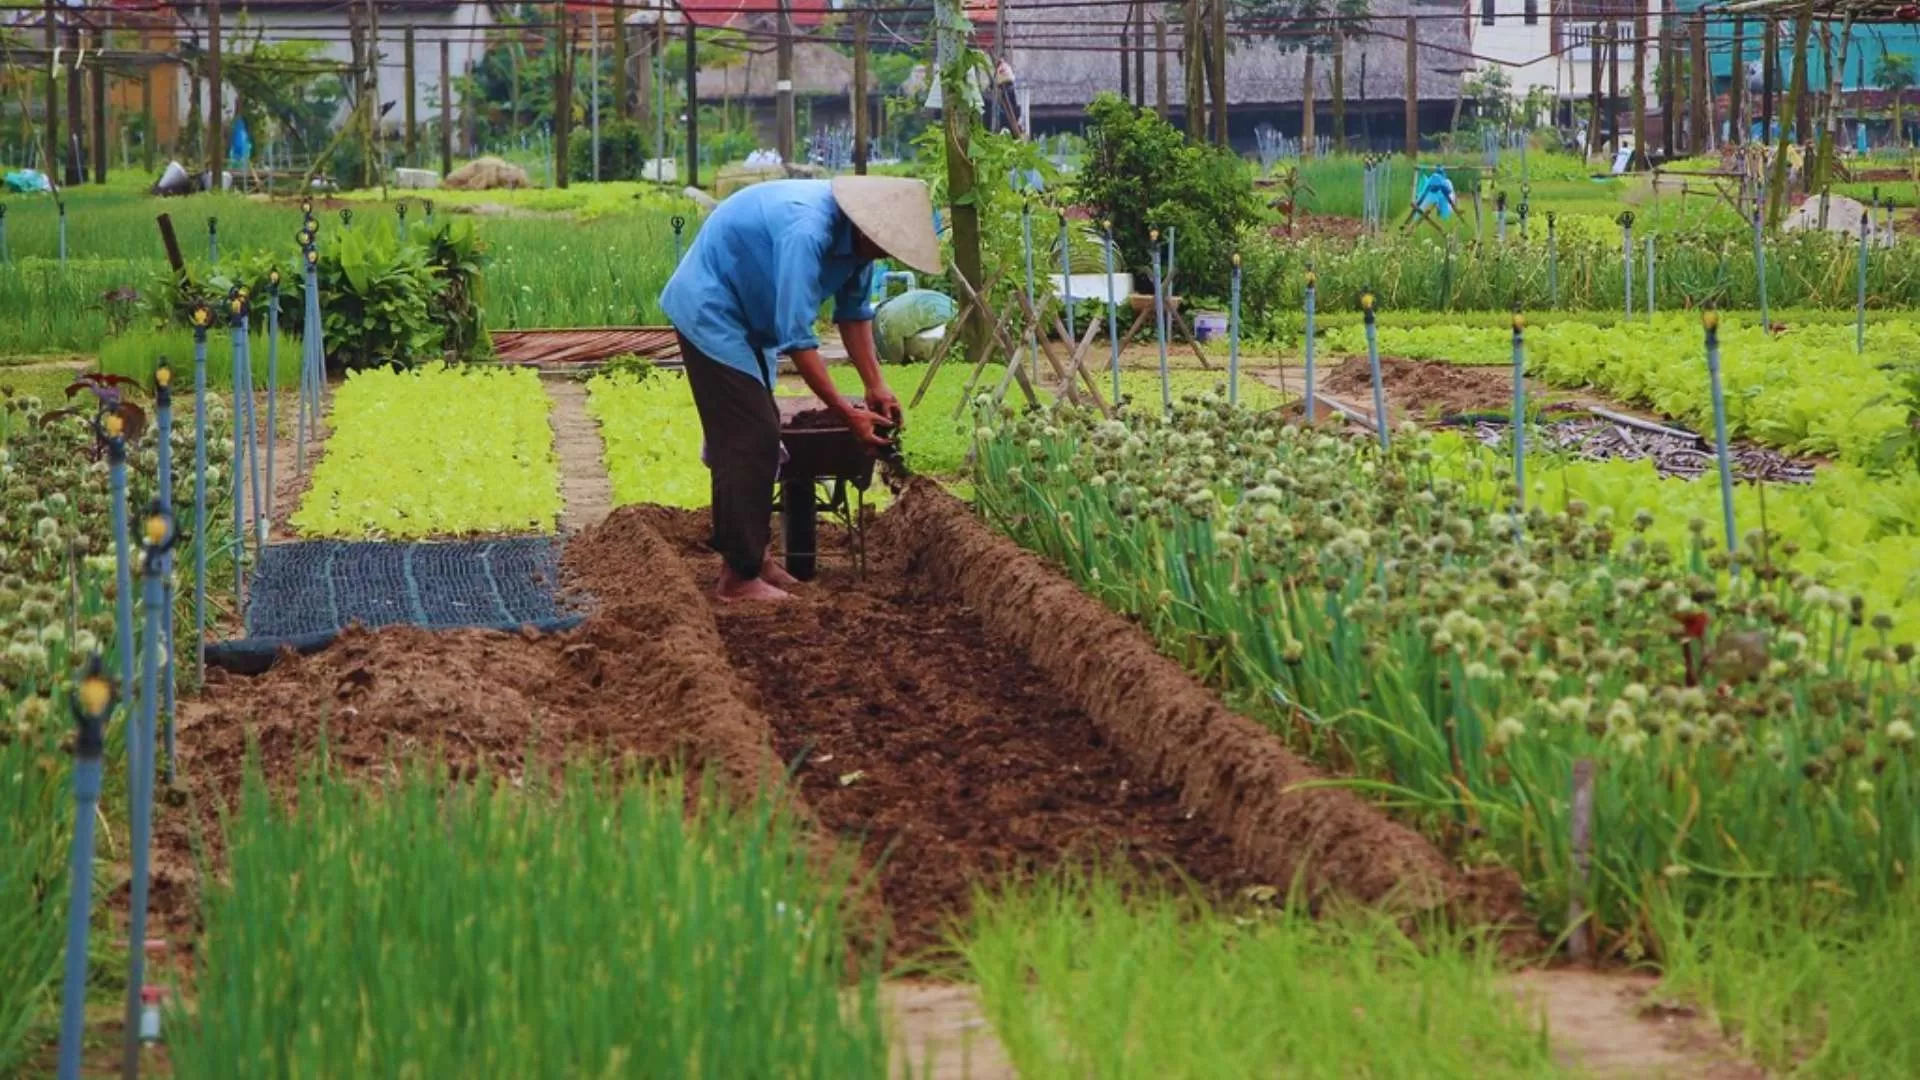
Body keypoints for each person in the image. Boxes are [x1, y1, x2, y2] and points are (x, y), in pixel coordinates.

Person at [660, 176, 943, 603]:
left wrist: (875, 385)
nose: (889, 254)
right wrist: (845, 414)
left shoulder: (859, 250)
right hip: (711, 308)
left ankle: (755, 557)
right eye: (888, 245)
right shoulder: (807, 231)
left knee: (759, 430)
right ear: (868, 228)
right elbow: (797, 337)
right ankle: (738, 579)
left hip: (748, 318)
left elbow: (853, 314)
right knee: (748, 435)